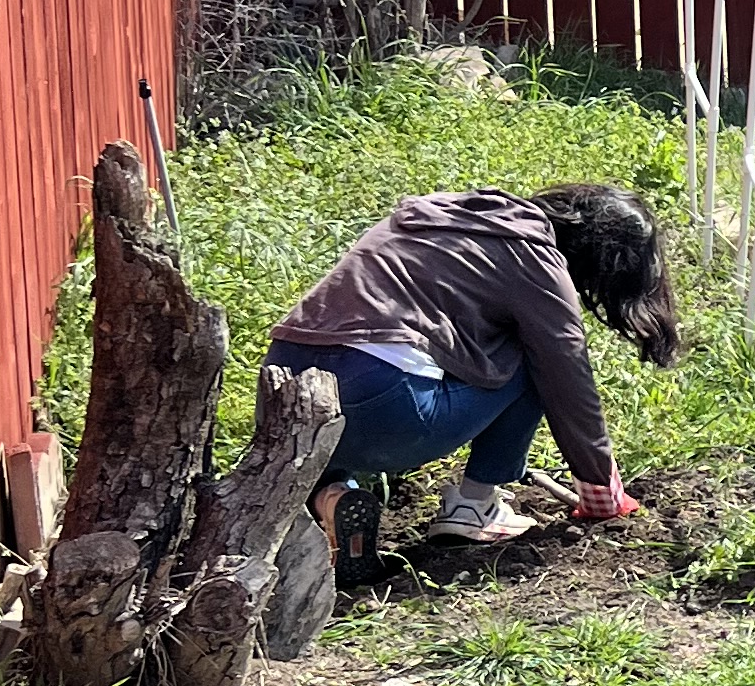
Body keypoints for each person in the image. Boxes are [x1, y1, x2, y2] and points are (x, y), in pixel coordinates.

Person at [270, 182, 678, 548]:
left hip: (285, 394)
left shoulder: (433, 215)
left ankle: (331, 496)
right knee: (536, 355)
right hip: (387, 407)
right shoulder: (534, 256)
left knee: (345, 409)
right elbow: (567, 376)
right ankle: (474, 505)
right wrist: (599, 486)